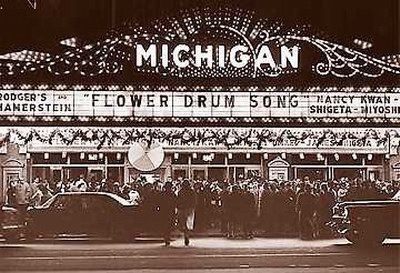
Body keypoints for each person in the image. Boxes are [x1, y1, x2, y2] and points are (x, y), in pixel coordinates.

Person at [177, 179, 196, 246]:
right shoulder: (191, 192)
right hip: (189, 209)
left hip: (182, 209)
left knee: (183, 223)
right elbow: (194, 201)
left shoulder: (180, 192)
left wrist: (178, 207)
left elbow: (178, 200)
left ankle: (185, 234)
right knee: (188, 224)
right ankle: (186, 235)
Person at [159, 181, 177, 246]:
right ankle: (167, 237)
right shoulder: (173, 194)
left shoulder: (162, 194)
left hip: (163, 211)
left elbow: (159, 203)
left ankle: (166, 237)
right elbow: (176, 203)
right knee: (169, 225)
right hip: (170, 211)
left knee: (164, 225)